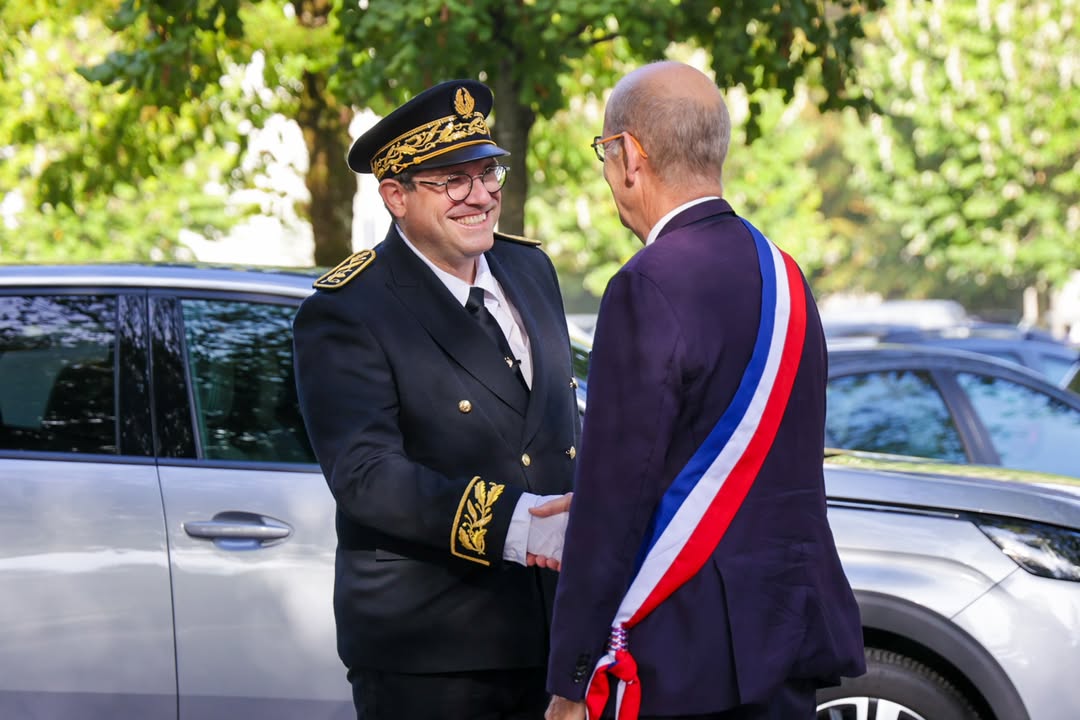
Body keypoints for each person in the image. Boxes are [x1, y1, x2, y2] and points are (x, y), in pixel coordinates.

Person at [544, 61, 866, 720]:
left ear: (630, 156)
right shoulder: (786, 275)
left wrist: (571, 676)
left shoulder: (646, 284)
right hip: (786, 633)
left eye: (606, 152)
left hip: (685, 653)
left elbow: (614, 498)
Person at [293, 78, 580, 720]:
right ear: (395, 195)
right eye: (453, 180)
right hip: (435, 651)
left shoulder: (531, 269)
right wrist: (516, 524)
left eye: (488, 172)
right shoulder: (350, 308)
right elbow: (366, 475)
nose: (481, 195)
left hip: (553, 633)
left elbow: (559, 430)